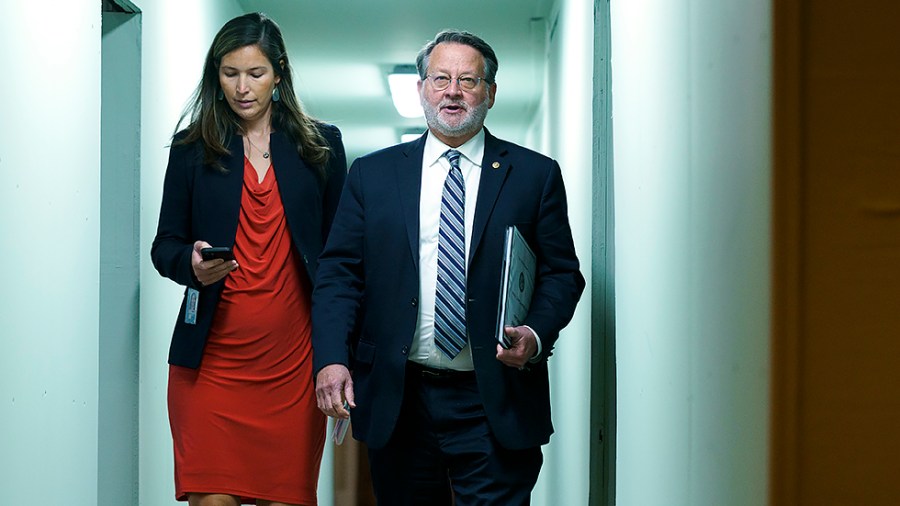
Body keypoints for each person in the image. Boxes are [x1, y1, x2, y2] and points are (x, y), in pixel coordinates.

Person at [312, 29, 585, 505]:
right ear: (421, 88)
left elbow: (562, 274)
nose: (453, 91)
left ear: (490, 93)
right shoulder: (372, 175)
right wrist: (333, 358)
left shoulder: (534, 176)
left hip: (495, 396)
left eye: (467, 80)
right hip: (401, 397)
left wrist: (537, 334)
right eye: (440, 79)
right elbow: (339, 274)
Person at [151, 12, 347, 506]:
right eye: (229, 73)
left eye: (255, 74)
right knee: (212, 498)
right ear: (214, 75)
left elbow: (342, 260)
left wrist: (340, 355)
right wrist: (189, 263)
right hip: (210, 367)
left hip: (292, 366)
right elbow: (165, 245)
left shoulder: (320, 147)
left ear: (279, 73)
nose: (242, 87)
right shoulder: (192, 148)